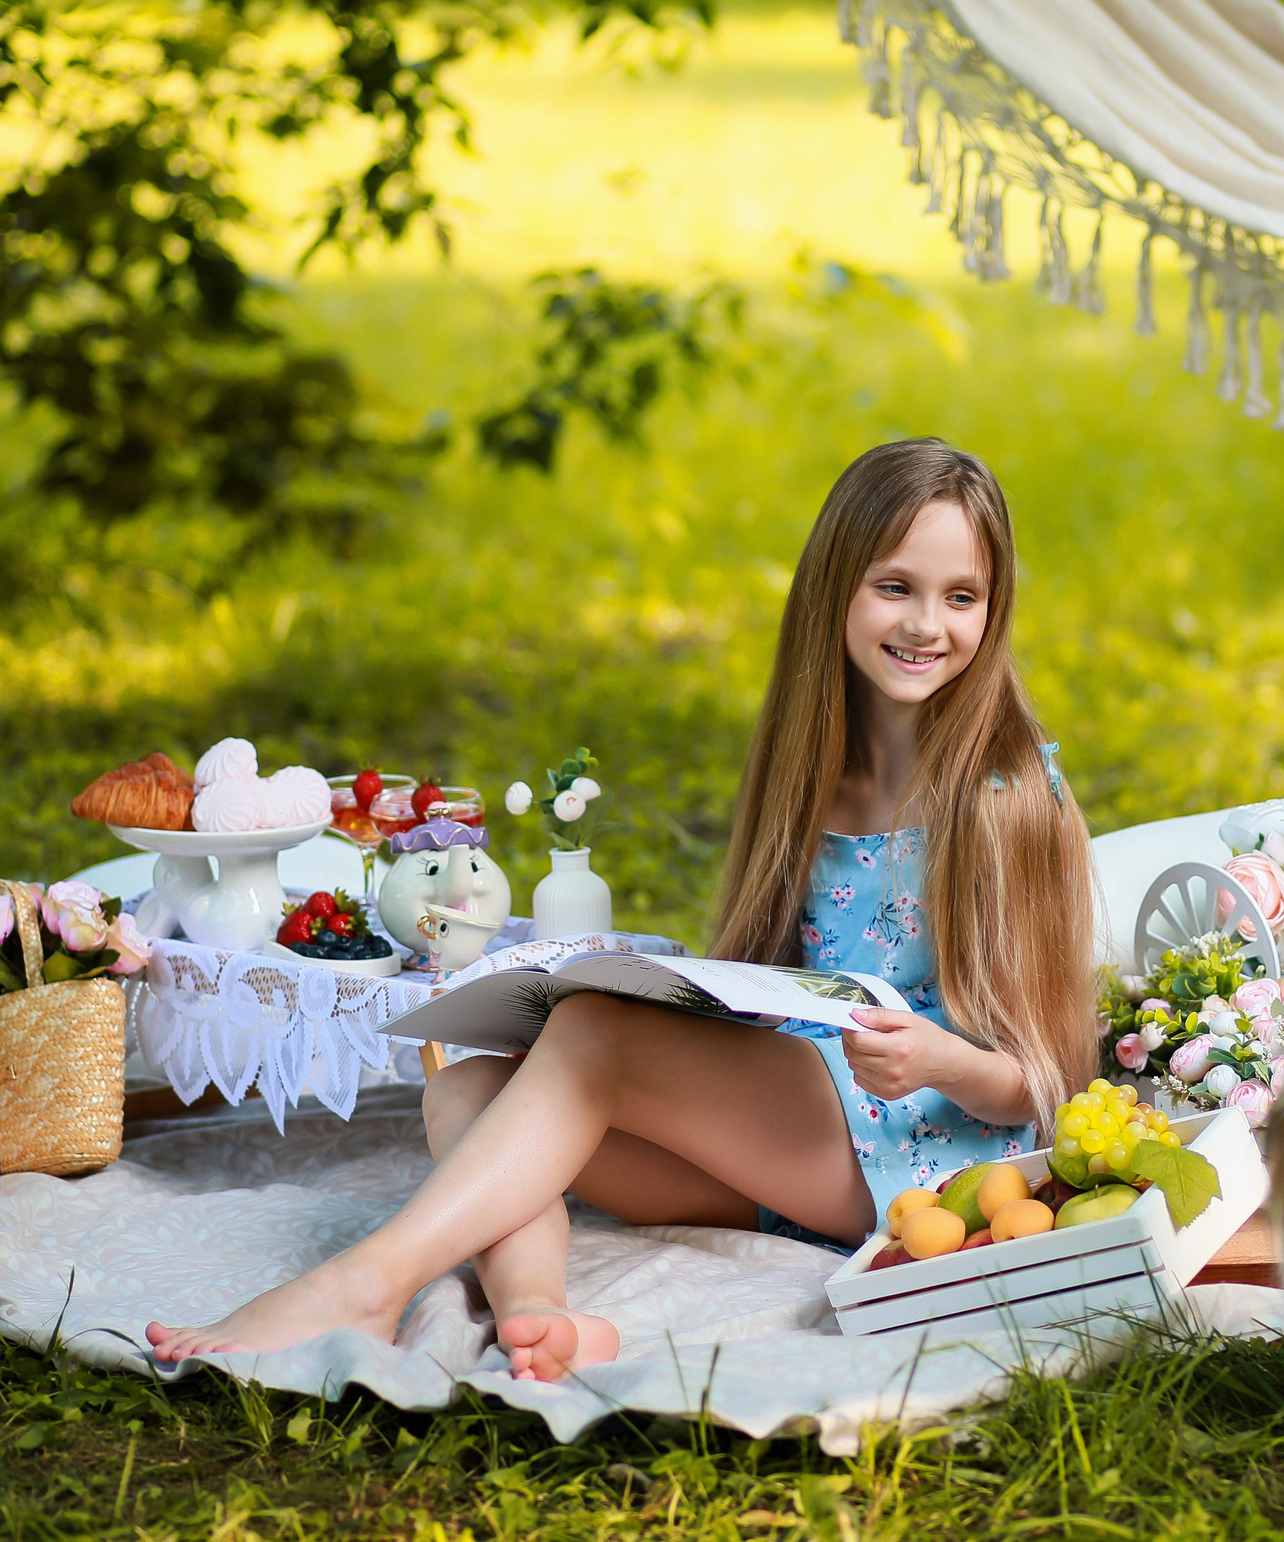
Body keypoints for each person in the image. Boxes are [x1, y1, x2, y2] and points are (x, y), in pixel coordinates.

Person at [147, 439, 1097, 1378]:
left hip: (922, 1154)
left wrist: (936, 1059)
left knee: (594, 1034)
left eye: (961, 596)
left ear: (993, 608)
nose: (927, 622)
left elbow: (1048, 1080)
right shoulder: (812, 766)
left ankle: (364, 1283)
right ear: (835, 590)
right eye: (895, 586)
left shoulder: (1002, 795)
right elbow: (775, 972)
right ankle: (538, 1315)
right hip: (797, 1147)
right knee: (469, 1085)